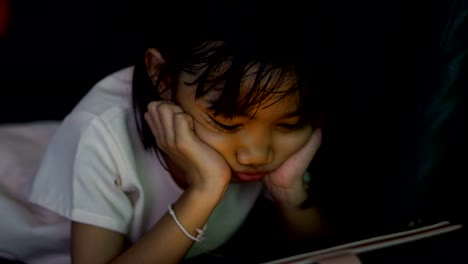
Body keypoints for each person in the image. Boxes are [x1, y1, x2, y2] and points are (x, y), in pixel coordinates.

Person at [0, 2, 329, 263]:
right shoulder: (102, 133)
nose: (256, 154)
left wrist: (288, 191)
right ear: (162, 76)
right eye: (228, 124)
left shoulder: (276, 116)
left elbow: (331, 256)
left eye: (289, 125)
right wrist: (204, 189)